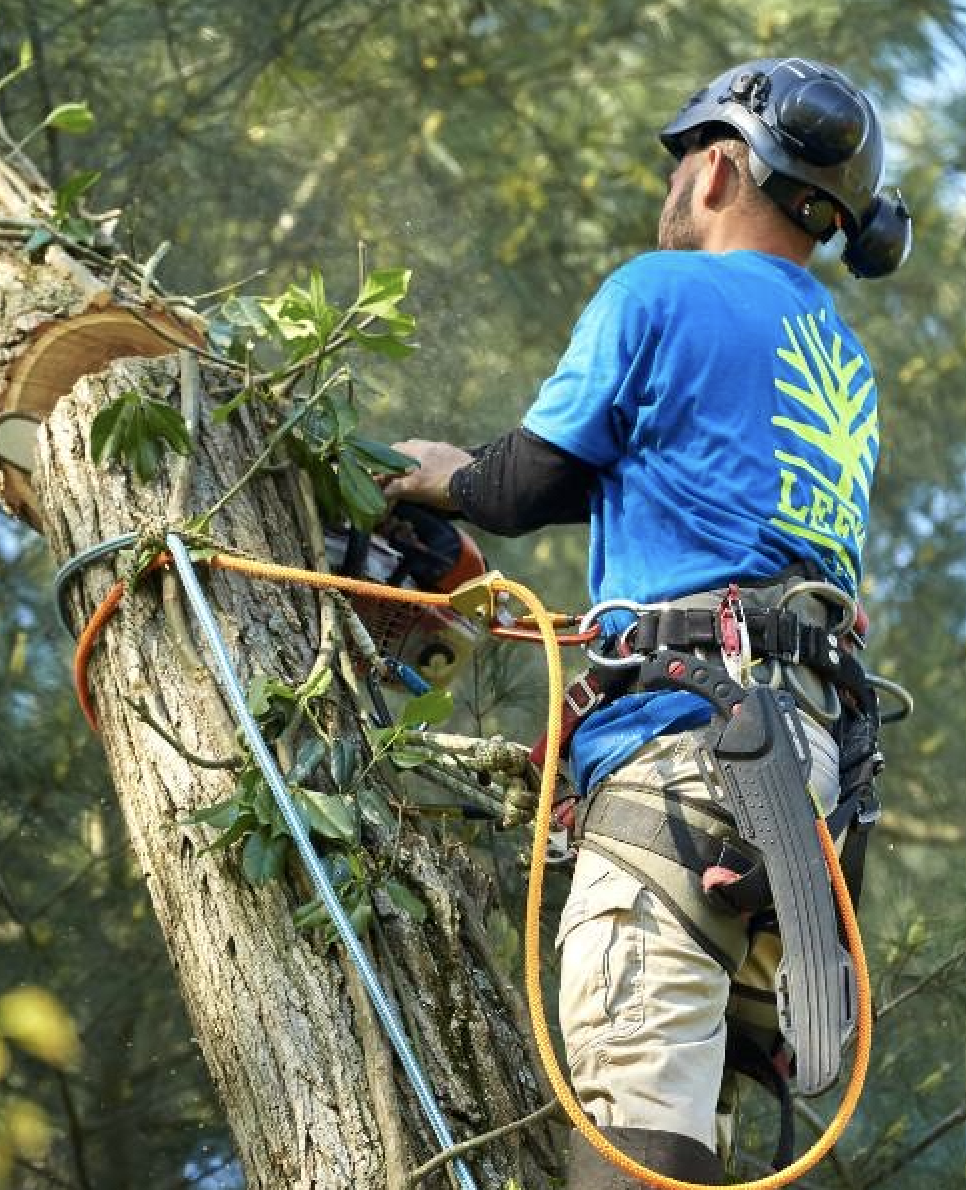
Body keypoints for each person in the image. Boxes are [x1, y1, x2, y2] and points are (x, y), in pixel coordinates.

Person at [384, 57, 910, 1187]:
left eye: (684, 164)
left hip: (683, 747)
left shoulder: (654, 292)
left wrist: (443, 476)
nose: (671, 189)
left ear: (720, 168)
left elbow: (524, 485)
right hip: (801, 771)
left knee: (634, 1108)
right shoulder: (840, 365)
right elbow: (678, 468)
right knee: (690, 1122)